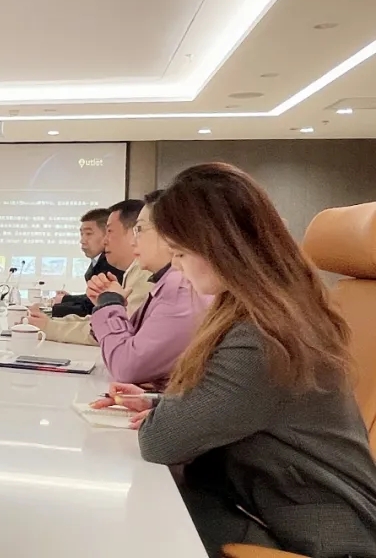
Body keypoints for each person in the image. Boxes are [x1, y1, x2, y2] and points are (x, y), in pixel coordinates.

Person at [92, 163, 376, 557]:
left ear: (218, 247)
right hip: (276, 503)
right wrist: (158, 403)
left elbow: (161, 441)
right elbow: (256, 406)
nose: (177, 266)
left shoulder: (262, 335)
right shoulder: (275, 307)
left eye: (180, 252)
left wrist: (168, 413)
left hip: (315, 537)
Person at [87, 190, 207, 387]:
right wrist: (109, 305)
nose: (133, 241)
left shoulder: (180, 288)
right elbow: (134, 341)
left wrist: (109, 304)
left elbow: (126, 367)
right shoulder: (167, 281)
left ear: (170, 233)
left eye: (139, 229)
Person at [28, 199, 153, 345]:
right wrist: (50, 323)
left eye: (109, 231)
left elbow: (118, 331)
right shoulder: (134, 271)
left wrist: (50, 327)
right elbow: (104, 323)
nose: (105, 241)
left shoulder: (145, 274)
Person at [52, 207, 125, 317]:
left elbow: (93, 307)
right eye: (82, 234)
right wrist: (67, 299)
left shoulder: (112, 263)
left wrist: (56, 307)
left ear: (107, 234)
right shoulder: (99, 261)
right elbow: (92, 299)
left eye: (89, 234)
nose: (82, 241)